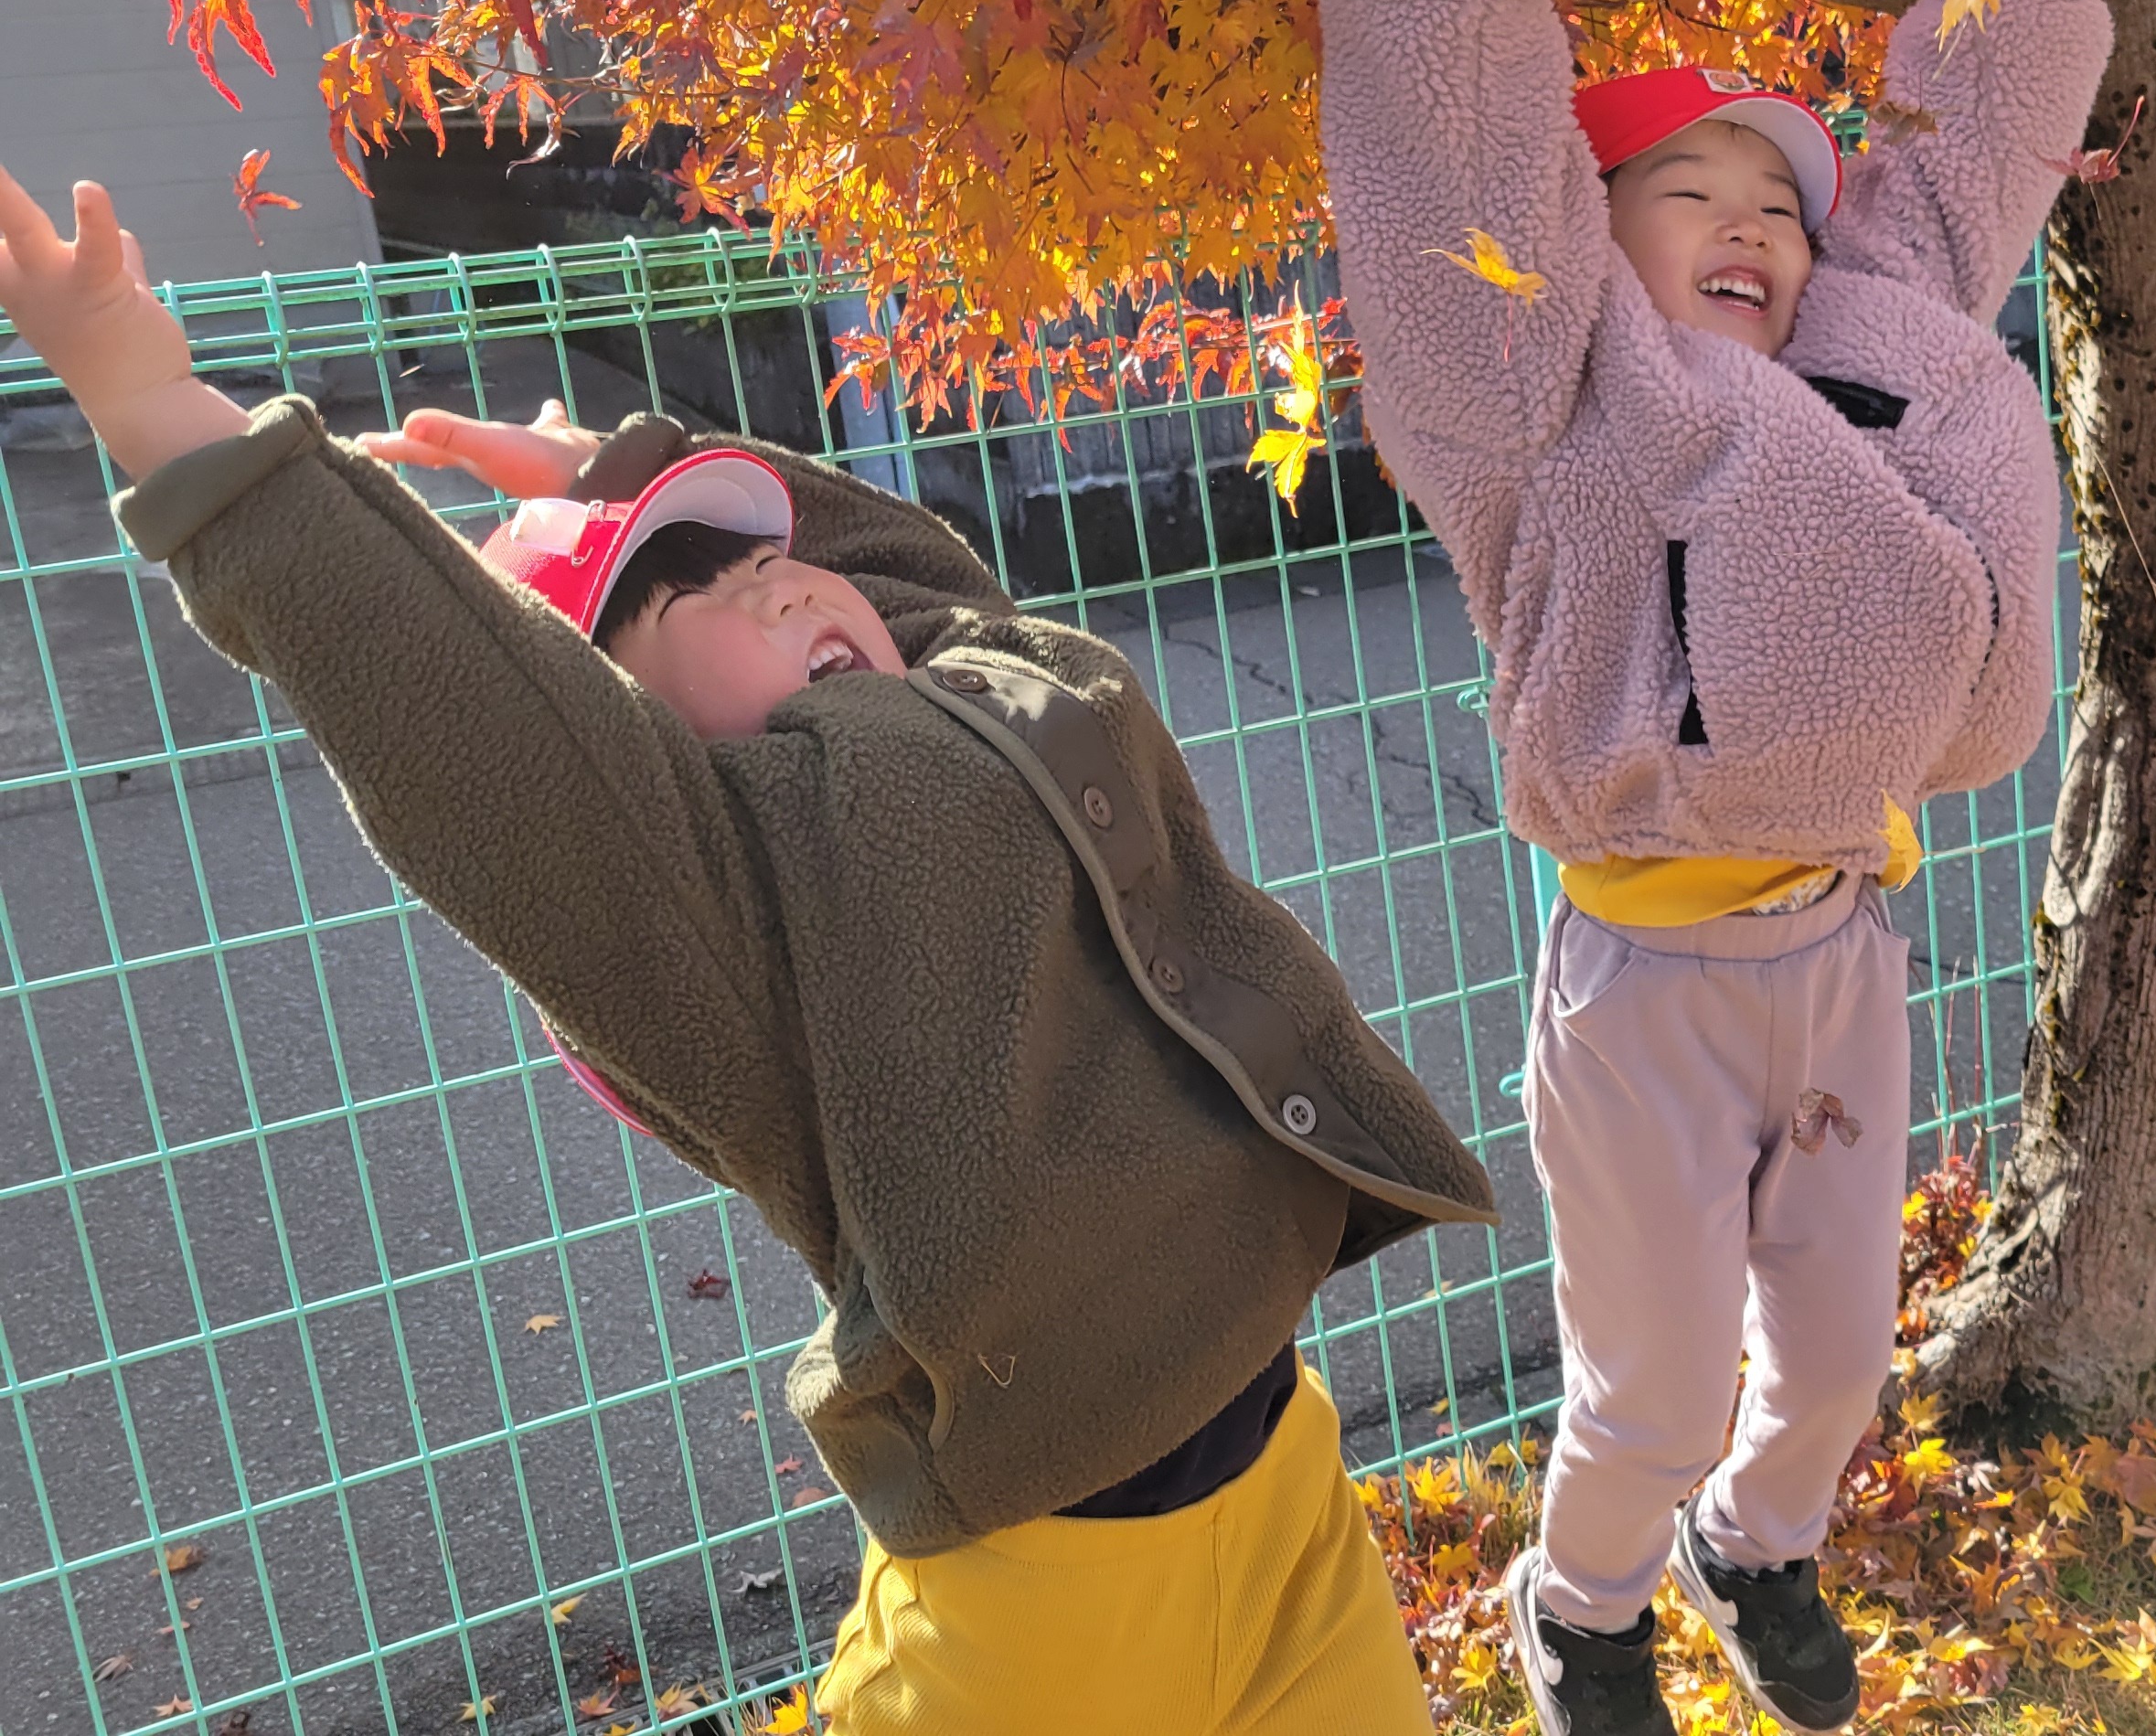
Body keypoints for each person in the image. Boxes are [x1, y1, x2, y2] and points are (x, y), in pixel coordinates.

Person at [0, 162, 1500, 1735]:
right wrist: (161, 410)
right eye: (701, 595)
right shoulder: (717, 891)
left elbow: (911, 570)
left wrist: (629, 463)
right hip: (1049, 1607)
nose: (781, 579)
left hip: (1284, 1487)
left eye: (768, 557)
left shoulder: (960, 691)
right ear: (624, 732)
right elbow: (453, 716)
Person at [1311, 0, 2109, 1734]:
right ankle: (1580, 1604)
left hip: (1837, 947)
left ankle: (1754, 1545)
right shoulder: (1539, 395)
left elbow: (1974, 146)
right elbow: (1444, 208)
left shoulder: (1881, 332)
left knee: (1838, 1357)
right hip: (1646, 981)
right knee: (1648, 1378)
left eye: (1781, 195)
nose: (1754, 220)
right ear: (1590, 233)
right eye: (1691, 187)